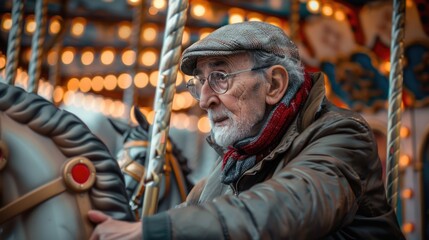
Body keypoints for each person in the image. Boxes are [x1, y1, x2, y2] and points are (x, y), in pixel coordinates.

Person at [88, 21, 405, 239]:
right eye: (200, 82)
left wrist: (154, 232)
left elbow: (283, 210)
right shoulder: (235, 161)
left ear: (274, 84)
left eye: (220, 77)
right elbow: (193, 214)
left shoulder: (342, 137)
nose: (205, 100)